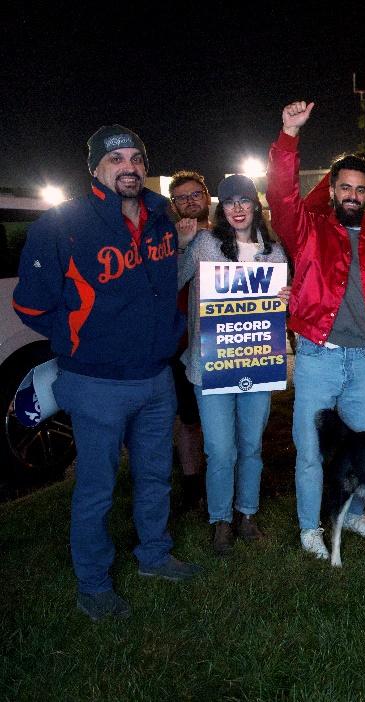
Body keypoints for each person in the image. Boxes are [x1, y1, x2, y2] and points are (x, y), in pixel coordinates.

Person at [13, 124, 200, 621]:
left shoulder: (161, 213)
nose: (129, 167)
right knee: (96, 488)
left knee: (155, 476)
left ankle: (154, 555)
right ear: (95, 168)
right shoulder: (63, 223)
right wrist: (78, 339)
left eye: (136, 158)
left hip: (156, 375)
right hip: (95, 381)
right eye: (115, 160)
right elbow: (29, 305)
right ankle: (93, 583)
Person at [266, 101, 365, 559]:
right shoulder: (308, 231)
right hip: (318, 357)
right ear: (332, 190)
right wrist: (288, 136)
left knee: (361, 451)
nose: (352, 194)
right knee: (310, 450)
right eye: (343, 186)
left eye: (359, 189)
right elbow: (282, 197)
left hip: (362, 364)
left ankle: (354, 516)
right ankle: (310, 528)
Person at [177, 175, 288, 555]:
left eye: (244, 201)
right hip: (210, 367)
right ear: (220, 209)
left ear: (255, 205)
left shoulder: (273, 252)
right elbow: (174, 280)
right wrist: (180, 247)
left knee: (251, 446)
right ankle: (220, 519)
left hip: (256, 364)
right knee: (221, 450)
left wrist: (288, 296)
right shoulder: (205, 244)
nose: (238, 208)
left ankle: (248, 513)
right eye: (229, 202)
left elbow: (280, 309)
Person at [168, 170, 210, 512]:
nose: (190, 201)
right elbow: (165, 284)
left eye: (195, 194)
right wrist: (181, 246)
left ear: (206, 196)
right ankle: (193, 484)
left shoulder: (228, 232)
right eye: (182, 198)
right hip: (183, 343)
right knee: (188, 418)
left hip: (226, 341)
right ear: (174, 205)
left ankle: (224, 478)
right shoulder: (167, 240)